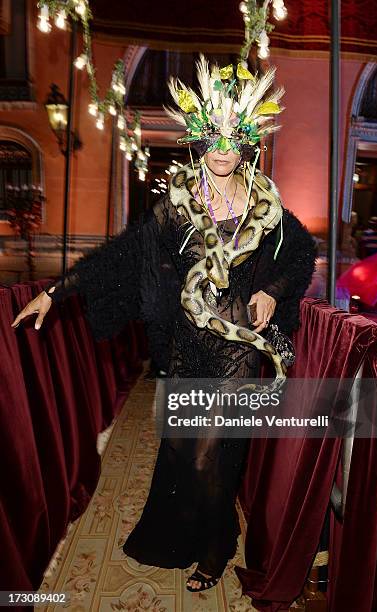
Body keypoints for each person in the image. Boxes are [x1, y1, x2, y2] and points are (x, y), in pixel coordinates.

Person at [11, 56, 316, 592]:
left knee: (213, 455)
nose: (222, 151)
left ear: (246, 144)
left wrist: (272, 290)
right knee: (181, 447)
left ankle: (217, 547)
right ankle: (187, 532)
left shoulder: (265, 205)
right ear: (199, 142)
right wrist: (56, 292)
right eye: (213, 139)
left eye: (232, 140)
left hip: (237, 348)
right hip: (186, 342)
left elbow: (300, 256)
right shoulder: (176, 203)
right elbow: (125, 254)